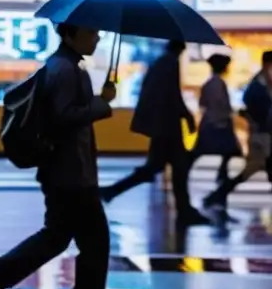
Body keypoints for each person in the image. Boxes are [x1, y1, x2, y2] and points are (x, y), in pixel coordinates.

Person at [0, 23, 124, 289]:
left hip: (68, 170)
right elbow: (63, 118)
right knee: (92, 242)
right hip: (70, 172)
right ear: (70, 34)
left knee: (61, 237)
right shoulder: (65, 69)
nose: (97, 35)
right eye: (92, 32)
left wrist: (98, 100)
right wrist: (101, 103)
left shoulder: (65, 66)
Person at [100, 41, 209, 226]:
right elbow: (173, 95)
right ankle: (184, 211)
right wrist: (187, 116)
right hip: (167, 126)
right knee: (178, 168)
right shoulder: (169, 64)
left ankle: (111, 191)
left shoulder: (161, 63)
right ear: (179, 48)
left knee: (156, 167)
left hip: (163, 125)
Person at [204, 50, 272, 208]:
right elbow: (254, 106)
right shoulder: (258, 84)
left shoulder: (263, 82)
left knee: (256, 168)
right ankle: (218, 194)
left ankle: (219, 194)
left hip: (263, 134)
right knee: (251, 169)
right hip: (261, 136)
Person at [187, 55, 240, 190]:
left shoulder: (210, 83)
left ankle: (222, 173)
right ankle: (221, 174)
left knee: (206, 151)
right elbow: (221, 105)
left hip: (211, 122)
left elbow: (202, 103)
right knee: (228, 150)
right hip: (217, 124)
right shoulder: (218, 84)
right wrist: (224, 119)